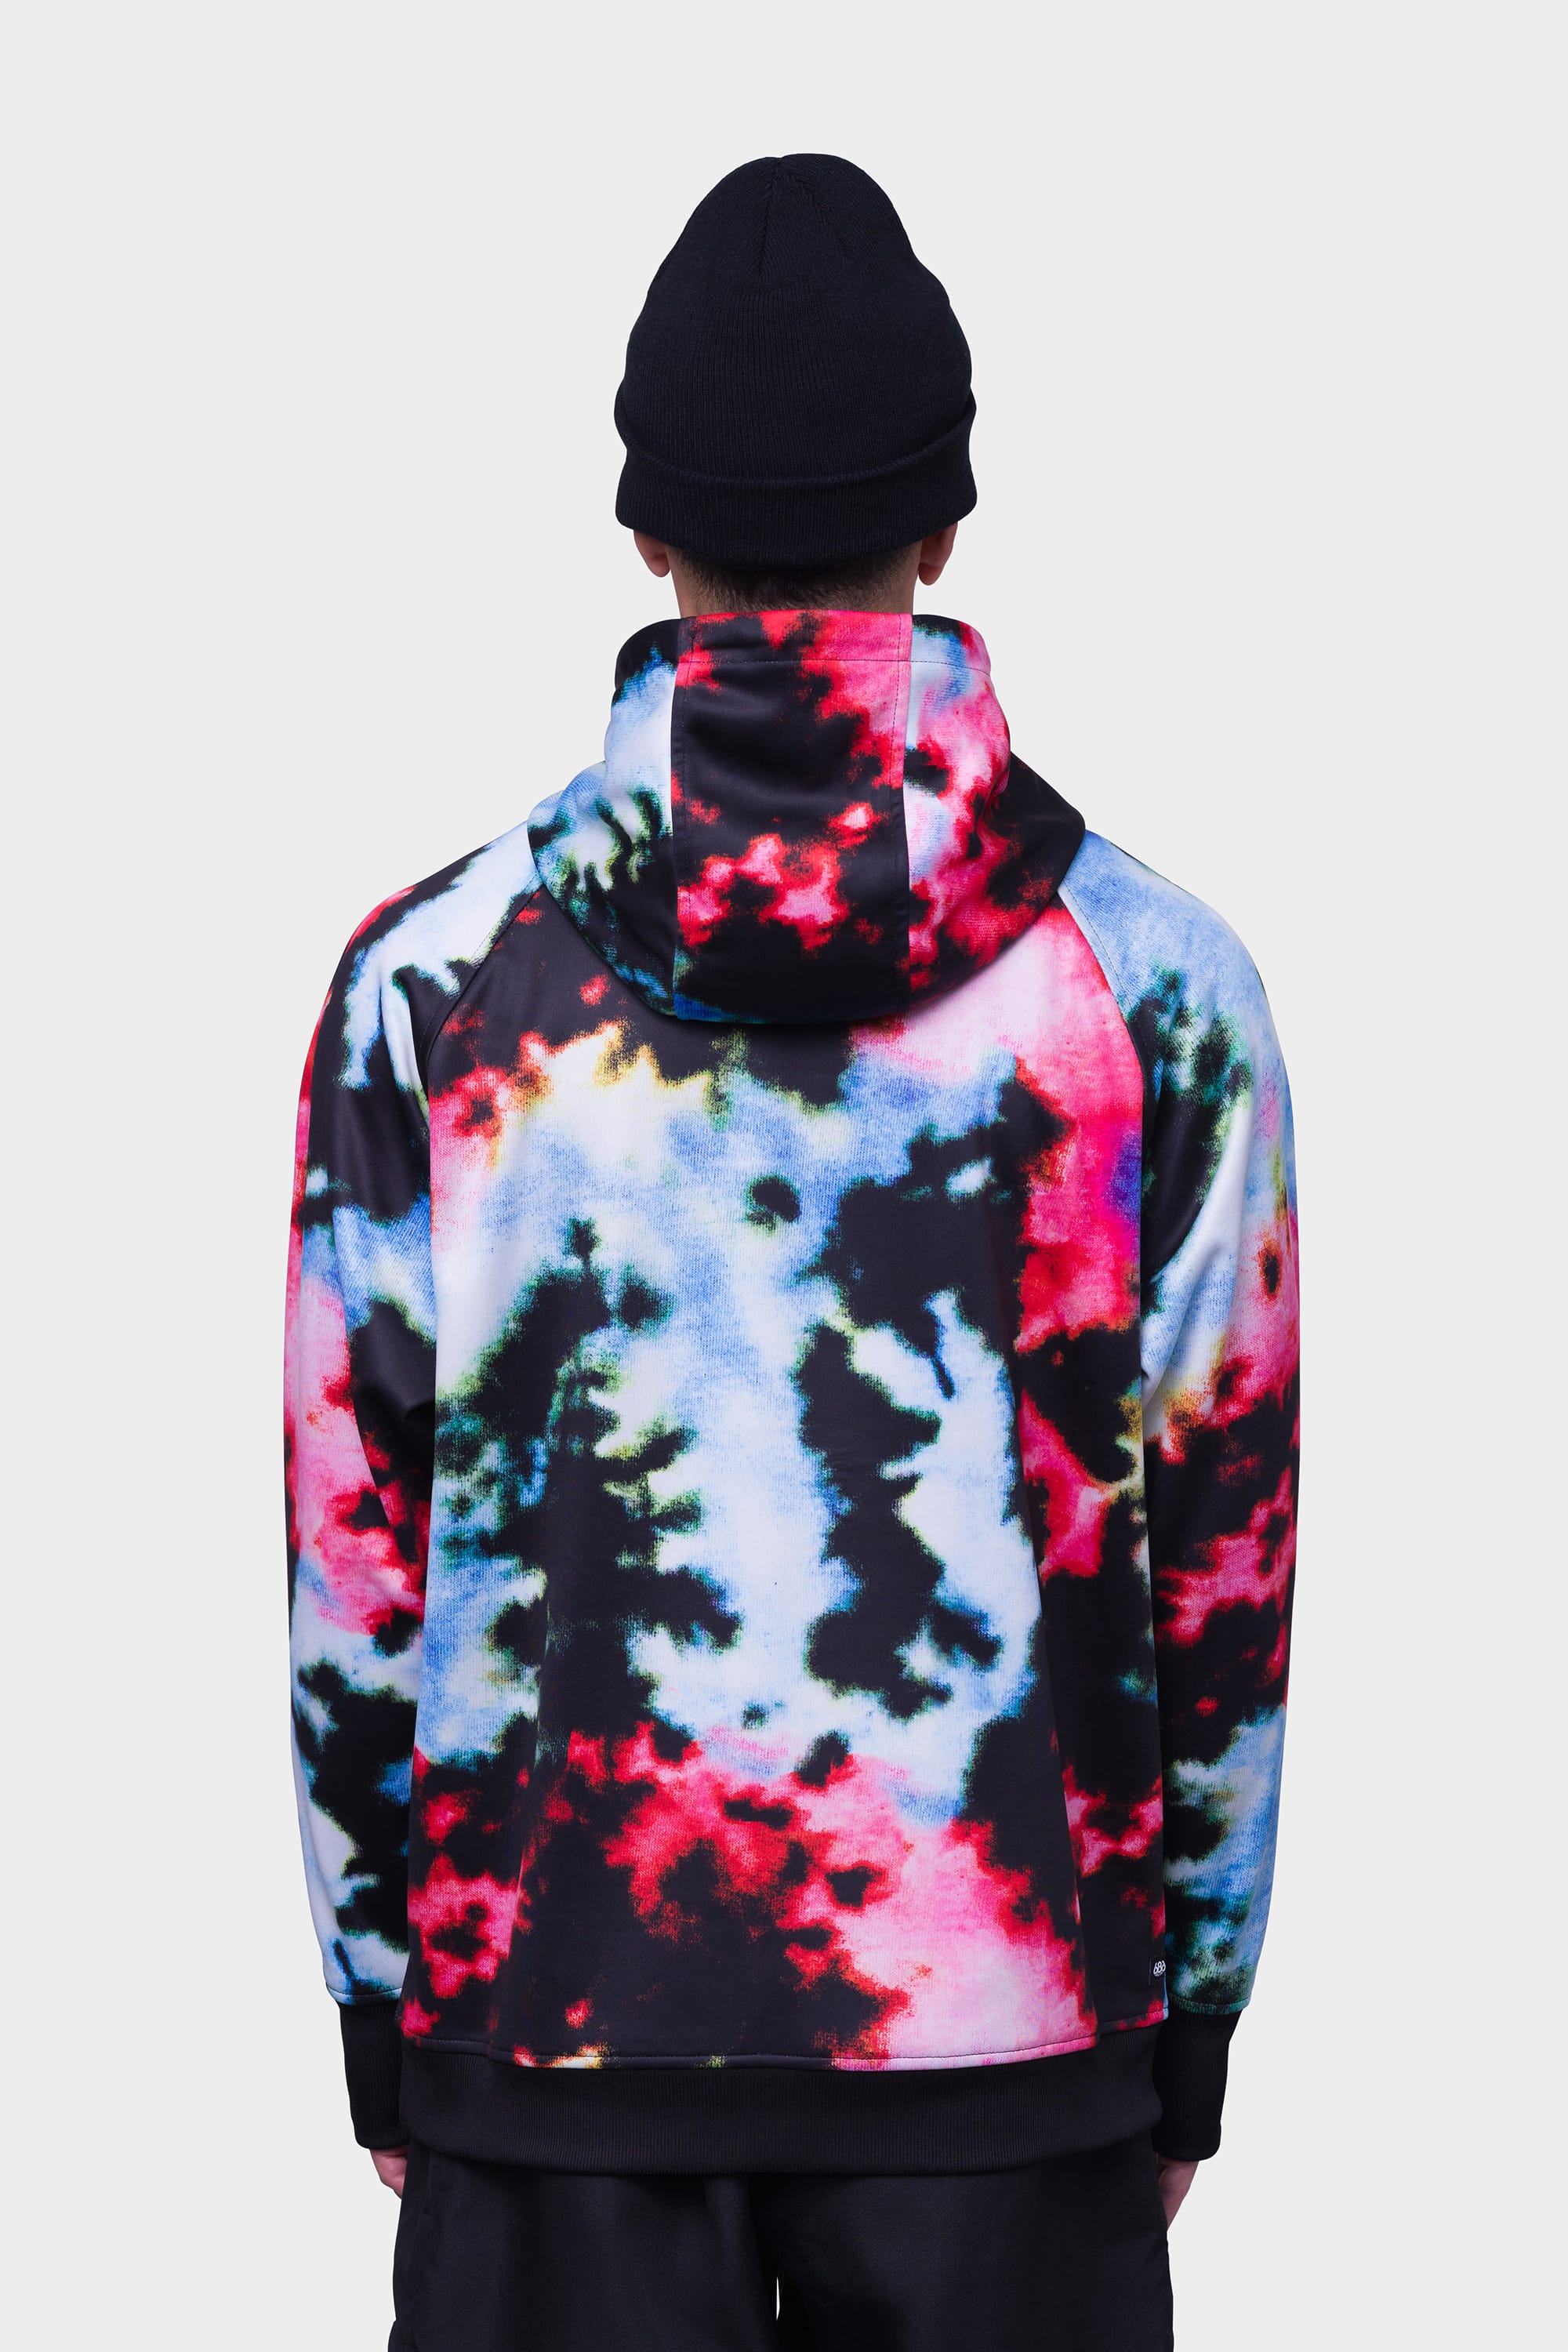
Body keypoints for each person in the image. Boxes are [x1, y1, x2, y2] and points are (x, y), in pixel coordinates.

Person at [286, 153, 1299, 2352]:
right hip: (1016, 2046)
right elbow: (1223, 1551)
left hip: (543, 2028)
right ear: (943, 525)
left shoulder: (434, 988)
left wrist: (383, 2013)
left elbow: (359, 1548)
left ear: (642, 532)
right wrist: (1190, 2025)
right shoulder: (1157, 991)